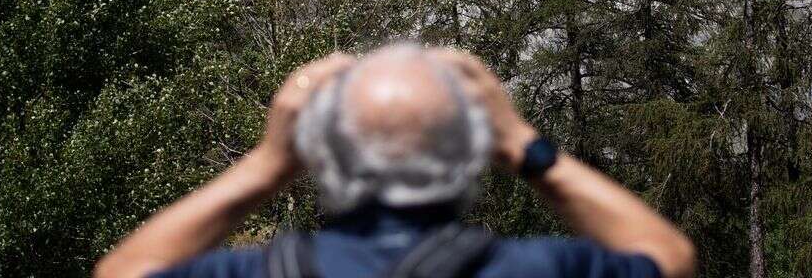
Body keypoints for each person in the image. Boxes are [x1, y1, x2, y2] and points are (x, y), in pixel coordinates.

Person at [95, 45, 696, 278]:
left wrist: (267, 163)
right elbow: (668, 256)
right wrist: (523, 144)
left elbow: (122, 272)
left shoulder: (261, 273)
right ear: (472, 156)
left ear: (322, 157)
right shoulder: (537, 269)